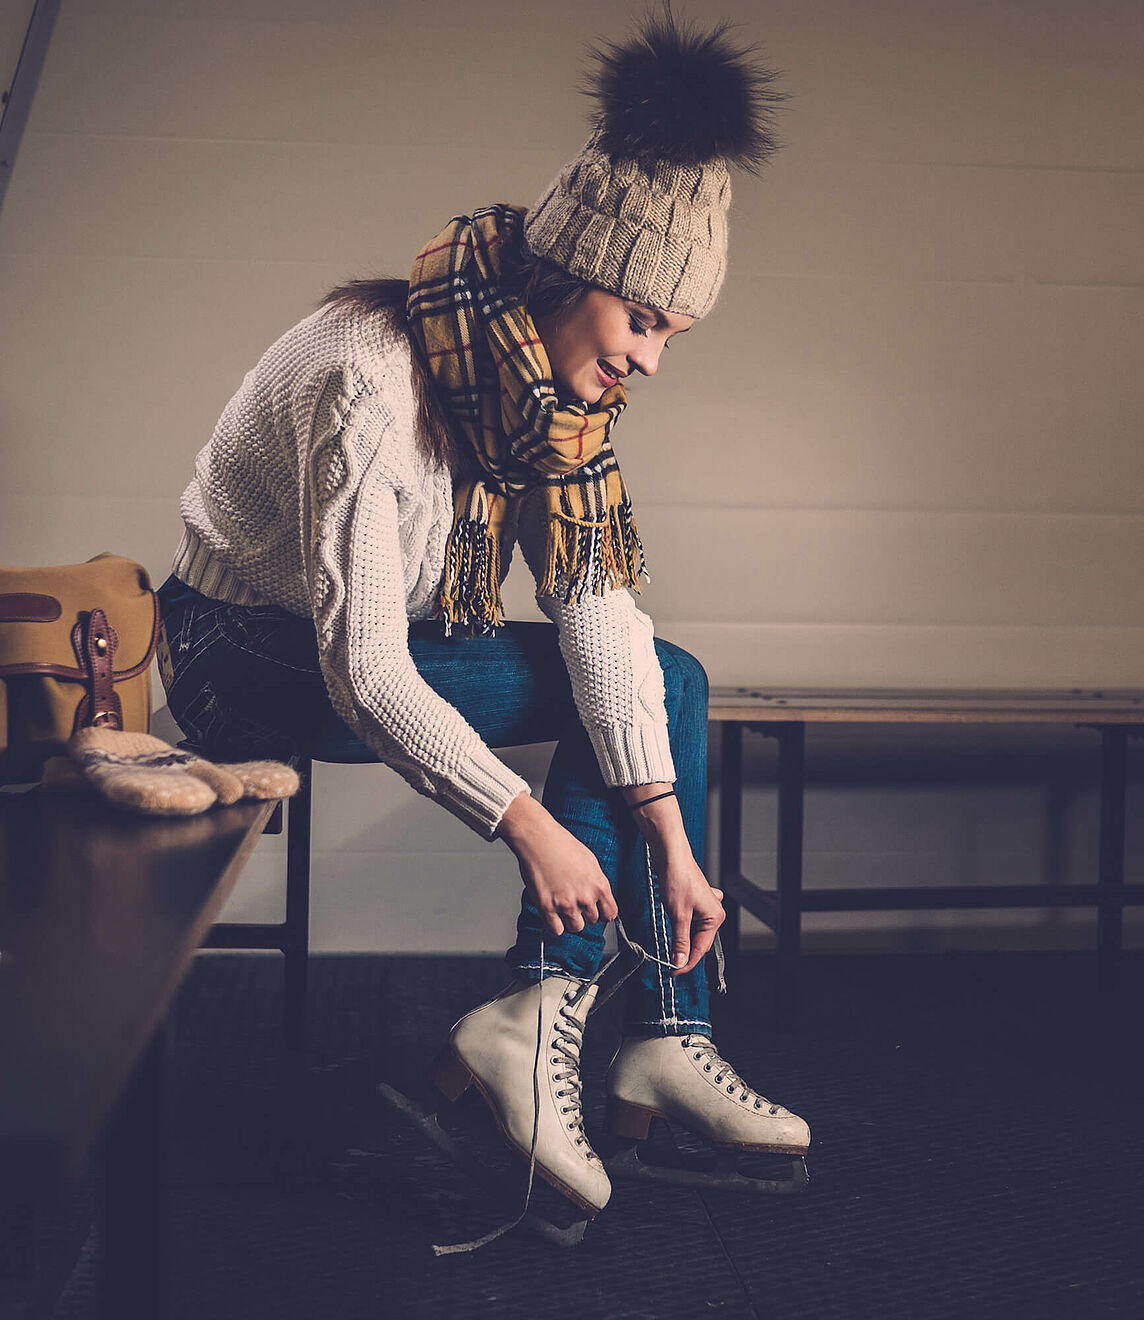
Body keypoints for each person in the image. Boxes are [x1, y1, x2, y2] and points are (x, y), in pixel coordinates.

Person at [155, 10, 808, 1218]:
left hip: (365, 644)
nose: (652, 362)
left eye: (673, 335)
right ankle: (546, 1009)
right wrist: (528, 824)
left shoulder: (548, 408)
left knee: (662, 675)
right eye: (643, 323)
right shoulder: (370, 377)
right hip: (237, 651)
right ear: (572, 281)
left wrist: (672, 847)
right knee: (639, 697)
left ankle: (658, 1030)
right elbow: (364, 674)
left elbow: (598, 613)